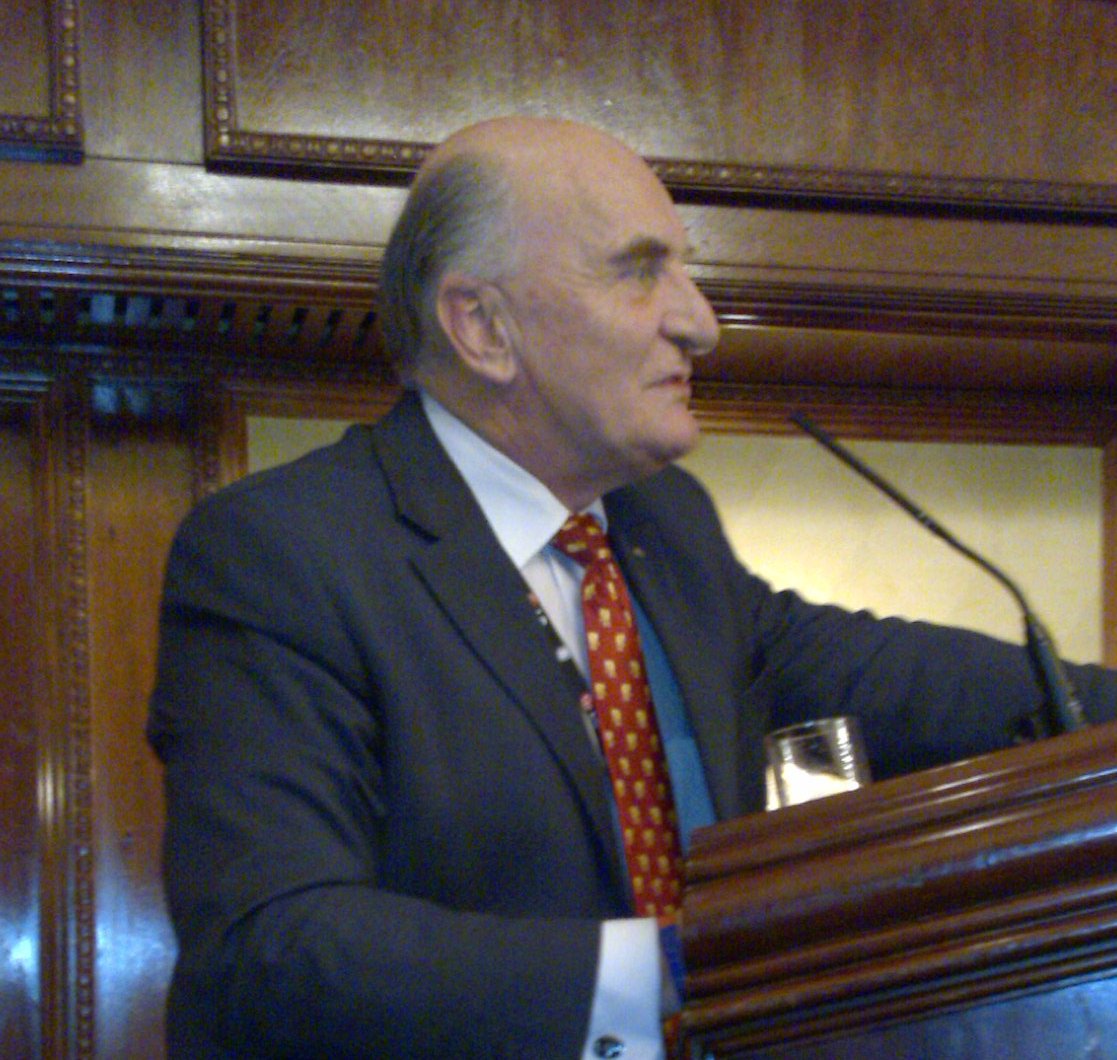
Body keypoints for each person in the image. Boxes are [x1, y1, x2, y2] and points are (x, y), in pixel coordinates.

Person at [147, 115, 1117, 1059]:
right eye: (641, 269)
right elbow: (269, 946)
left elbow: (889, 678)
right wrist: (670, 980)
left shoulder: (663, 525)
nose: (700, 323)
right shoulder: (282, 552)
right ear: (482, 326)